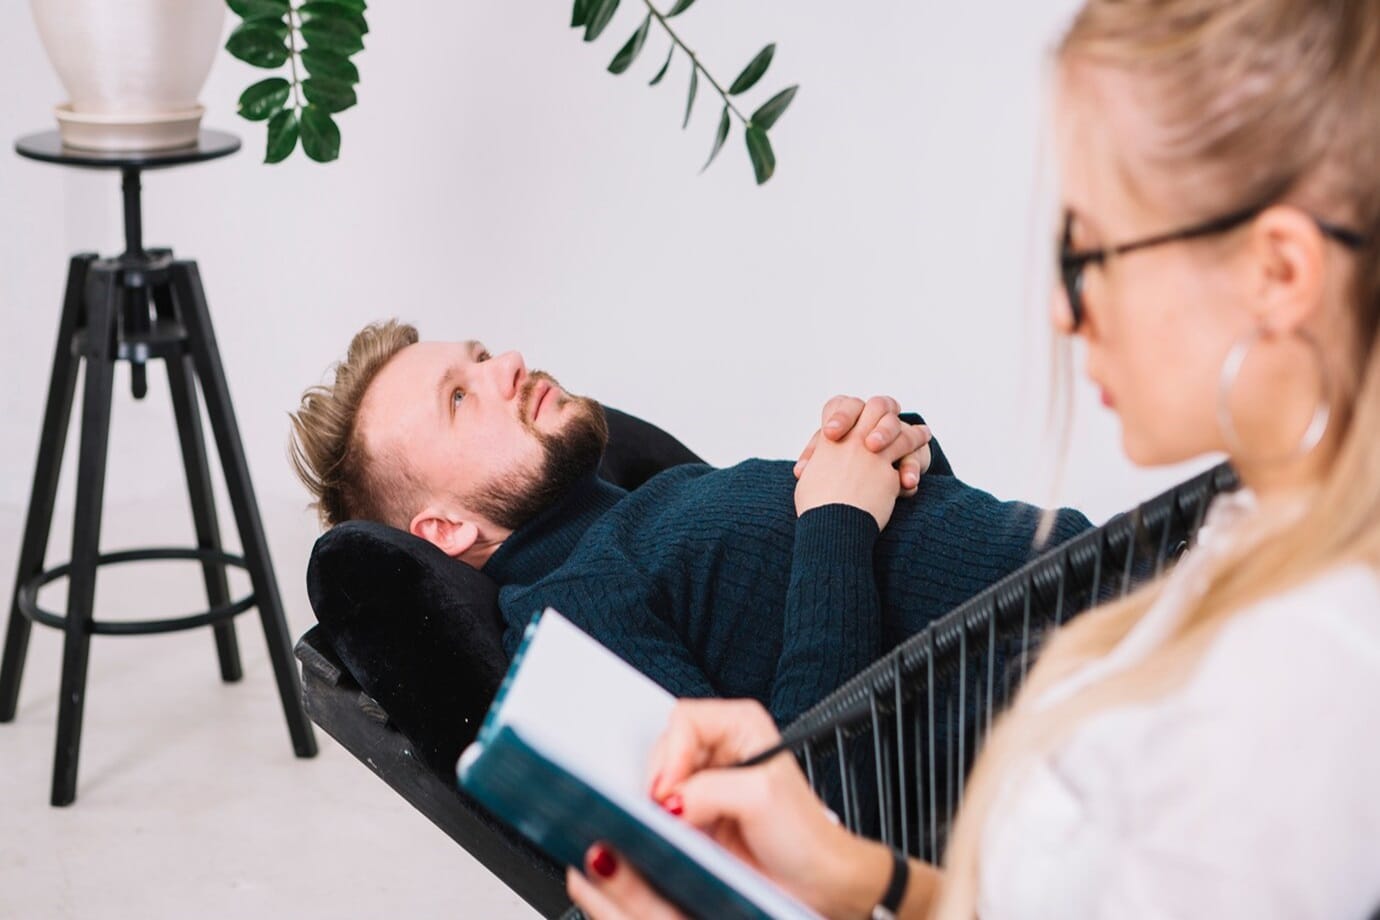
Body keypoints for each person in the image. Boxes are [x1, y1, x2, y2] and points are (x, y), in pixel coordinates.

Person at [565, 0, 1380, 917]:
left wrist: (847, 517)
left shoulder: (1311, 672)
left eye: (1088, 253)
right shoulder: (1256, 537)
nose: (1063, 313)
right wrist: (862, 880)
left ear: (1278, 273)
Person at [289, 325, 1090, 727]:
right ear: (445, 529)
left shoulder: (655, 496)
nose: (506, 366)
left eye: (482, 355)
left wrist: (894, 458)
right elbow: (800, 814)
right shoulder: (569, 612)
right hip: (1102, 705)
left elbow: (900, 597)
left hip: (1128, 583)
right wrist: (840, 516)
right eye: (460, 398)